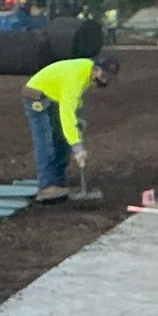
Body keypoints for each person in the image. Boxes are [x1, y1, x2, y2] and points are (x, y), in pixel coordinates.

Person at [24, 51, 120, 205]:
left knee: (61, 139)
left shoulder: (86, 74)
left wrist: (79, 119)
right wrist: (77, 146)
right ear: (96, 69)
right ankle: (46, 187)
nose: (104, 80)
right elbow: (67, 112)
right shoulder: (76, 76)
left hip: (54, 97)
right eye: (104, 76)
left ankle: (57, 182)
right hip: (37, 97)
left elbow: (76, 101)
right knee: (45, 140)